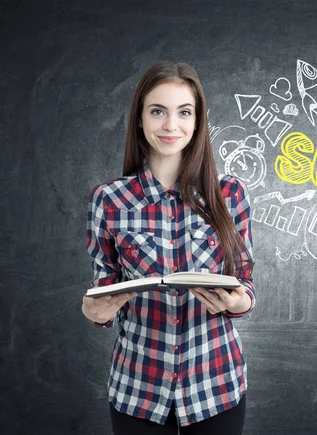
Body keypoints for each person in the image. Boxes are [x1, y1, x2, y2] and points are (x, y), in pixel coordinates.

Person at [82, 61, 255, 435]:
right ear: (140, 118)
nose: (170, 125)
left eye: (184, 112)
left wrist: (238, 302)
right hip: (138, 387)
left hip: (216, 382)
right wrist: (94, 309)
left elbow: (245, 281)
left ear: (197, 121)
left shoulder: (230, 195)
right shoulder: (108, 200)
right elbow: (104, 285)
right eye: (157, 111)